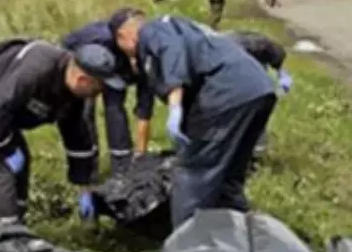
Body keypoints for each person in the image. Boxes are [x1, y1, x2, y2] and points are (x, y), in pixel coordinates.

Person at [111, 12, 277, 228]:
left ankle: (186, 240)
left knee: (194, 174)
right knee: (229, 174)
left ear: (123, 36)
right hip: (257, 89)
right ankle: (238, 233)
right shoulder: (183, 27)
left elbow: (170, 51)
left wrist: (174, 104)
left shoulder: (152, 31)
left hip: (225, 93)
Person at [0, 39, 126, 224]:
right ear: (82, 80)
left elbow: (76, 135)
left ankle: (17, 221)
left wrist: (84, 186)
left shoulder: (73, 93)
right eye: (98, 87)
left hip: (0, 108)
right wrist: (7, 149)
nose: (99, 94)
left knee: (21, 162)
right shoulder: (36, 71)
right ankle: (3, 229)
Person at [61, 10, 154, 175]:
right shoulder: (96, 37)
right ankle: (87, 166)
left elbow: (144, 110)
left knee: (114, 108)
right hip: (89, 65)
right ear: (120, 36)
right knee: (84, 111)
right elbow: (64, 51)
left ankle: (122, 167)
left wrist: (141, 155)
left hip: (117, 72)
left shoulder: (148, 55)